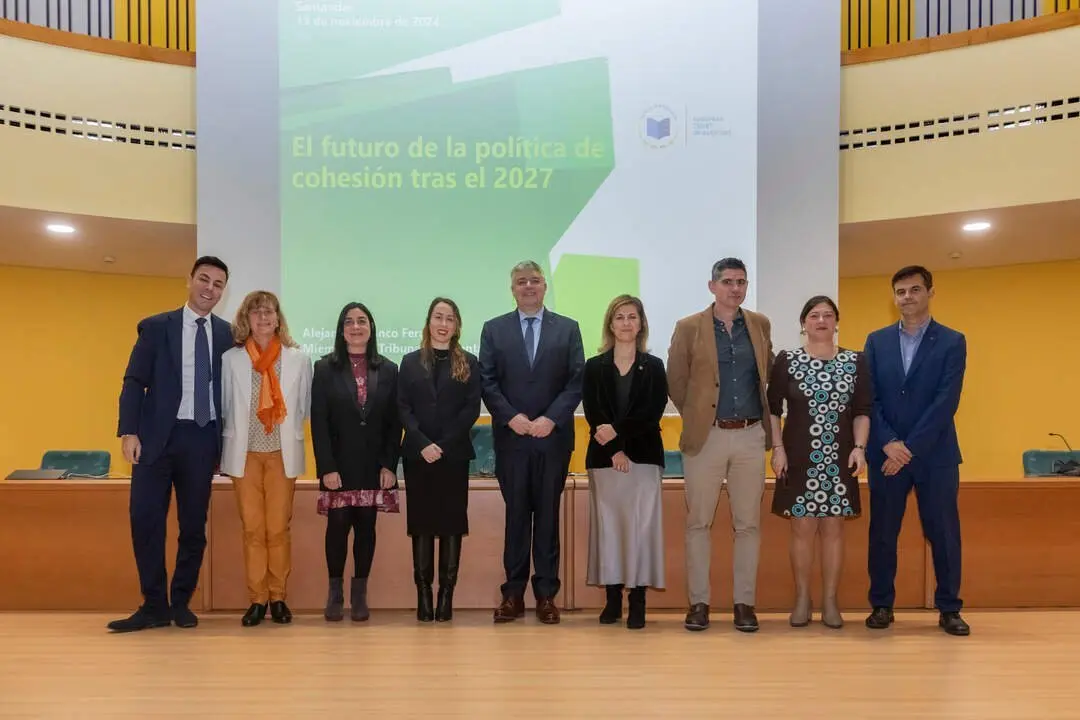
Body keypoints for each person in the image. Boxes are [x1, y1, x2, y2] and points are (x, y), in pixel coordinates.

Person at [110, 256, 233, 632]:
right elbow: (134, 381)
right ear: (190, 281)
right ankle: (153, 605)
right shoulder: (156, 327)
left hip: (201, 439)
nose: (209, 288)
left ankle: (180, 603)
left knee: (193, 526)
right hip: (154, 440)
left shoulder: (229, 335)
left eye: (217, 284)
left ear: (222, 292)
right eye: (203, 279)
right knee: (145, 521)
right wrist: (129, 431)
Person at [667, 257, 774, 633]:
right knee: (699, 523)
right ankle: (699, 603)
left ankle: (745, 604)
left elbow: (768, 375)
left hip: (750, 436)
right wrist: (698, 416)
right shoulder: (689, 327)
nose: (736, 288)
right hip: (706, 436)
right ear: (712, 286)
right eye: (728, 281)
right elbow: (676, 382)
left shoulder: (759, 325)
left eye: (741, 282)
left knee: (748, 525)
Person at [863, 265, 969, 636]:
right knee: (883, 533)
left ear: (929, 293)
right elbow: (869, 399)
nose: (907, 297)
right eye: (900, 291)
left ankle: (949, 607)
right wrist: (889, 442)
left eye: (914, 290)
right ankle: (881, 604)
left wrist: (908, 448)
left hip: (935, 455)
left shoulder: (953, 341)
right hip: (886, 454)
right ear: (894, 298)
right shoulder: (876, 342)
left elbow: (946, 402)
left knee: (942, 531)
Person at [479, 260, 585, 624]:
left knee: (548, 518)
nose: (528, 287)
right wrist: (513, 418)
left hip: (553, 440)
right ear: (512, 289)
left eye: (535, 281)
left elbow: (576, 382)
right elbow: (488, 382)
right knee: (517, 517)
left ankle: (546, 596)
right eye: (521, 281)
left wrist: (549, 420)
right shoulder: (494, 330)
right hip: (512, 440)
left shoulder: (568, 329)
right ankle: (513, 595)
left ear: (545, 287)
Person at [767, 296, 871, 629]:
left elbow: (862, 411)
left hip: (839, 455)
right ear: (803, 323)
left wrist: (860, 448)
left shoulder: (855, 361)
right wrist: (777, 448)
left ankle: (830, 601)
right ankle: (802, 599)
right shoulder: (787, 360)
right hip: (798, 454)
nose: (821, 320)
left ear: (836, 322)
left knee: (833, 528)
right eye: (814, 315)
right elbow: (773, 409)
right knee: (801, 527)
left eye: (828, 315)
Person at [219, 291, 313, 627]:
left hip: (281, 454)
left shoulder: (299, 359)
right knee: (252, 530)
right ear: (246, 318)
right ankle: (257, 599)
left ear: (278, 318)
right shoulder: (231, 359)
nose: (262, 318)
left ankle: (278, 597)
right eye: (255, 312)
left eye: (268, 311)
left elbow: (303, 407)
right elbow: (226, 407)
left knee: (278, 529)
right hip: (244, 456)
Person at [310, 302, 402, 623]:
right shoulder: (324, 368)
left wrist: (389, 465)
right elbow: (319, 422)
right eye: (349, 321)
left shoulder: (389, 369)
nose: (356, 326)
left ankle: (359, 595)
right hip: (338, 466)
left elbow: (395, 423)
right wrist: (327, 468)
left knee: (366, 529)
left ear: (371, 327)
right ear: (341, 329)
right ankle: (335, 594)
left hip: (373, 467)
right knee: (336, 529)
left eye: (362, 321)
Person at [582, 295, 668, 630]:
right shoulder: (593, 366)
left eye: (633, 317)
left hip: (644, 458)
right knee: (611, 530)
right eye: (619, 317)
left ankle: (638, 602)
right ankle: (613, 600)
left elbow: (651, 411)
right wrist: (614, 451)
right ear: (610, 324)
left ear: (641, 323)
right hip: (605, 461)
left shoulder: (655, 366)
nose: (626, 323)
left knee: (641, 531)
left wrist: (618, 436)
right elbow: (593, 412)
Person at [397, 297, 482, 623]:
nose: (443, 323)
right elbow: (403, 407)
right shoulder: (409, 361)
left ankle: (446, 596)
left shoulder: (470, 363)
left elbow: (470, 410)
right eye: (438, 317)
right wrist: (422, 443)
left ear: (457, 325)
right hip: (418, 456)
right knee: (421, 526)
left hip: (453, 456)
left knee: (450, 526)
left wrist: (443, 445)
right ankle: (424, 595)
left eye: (450, 318)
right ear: (429, 321)